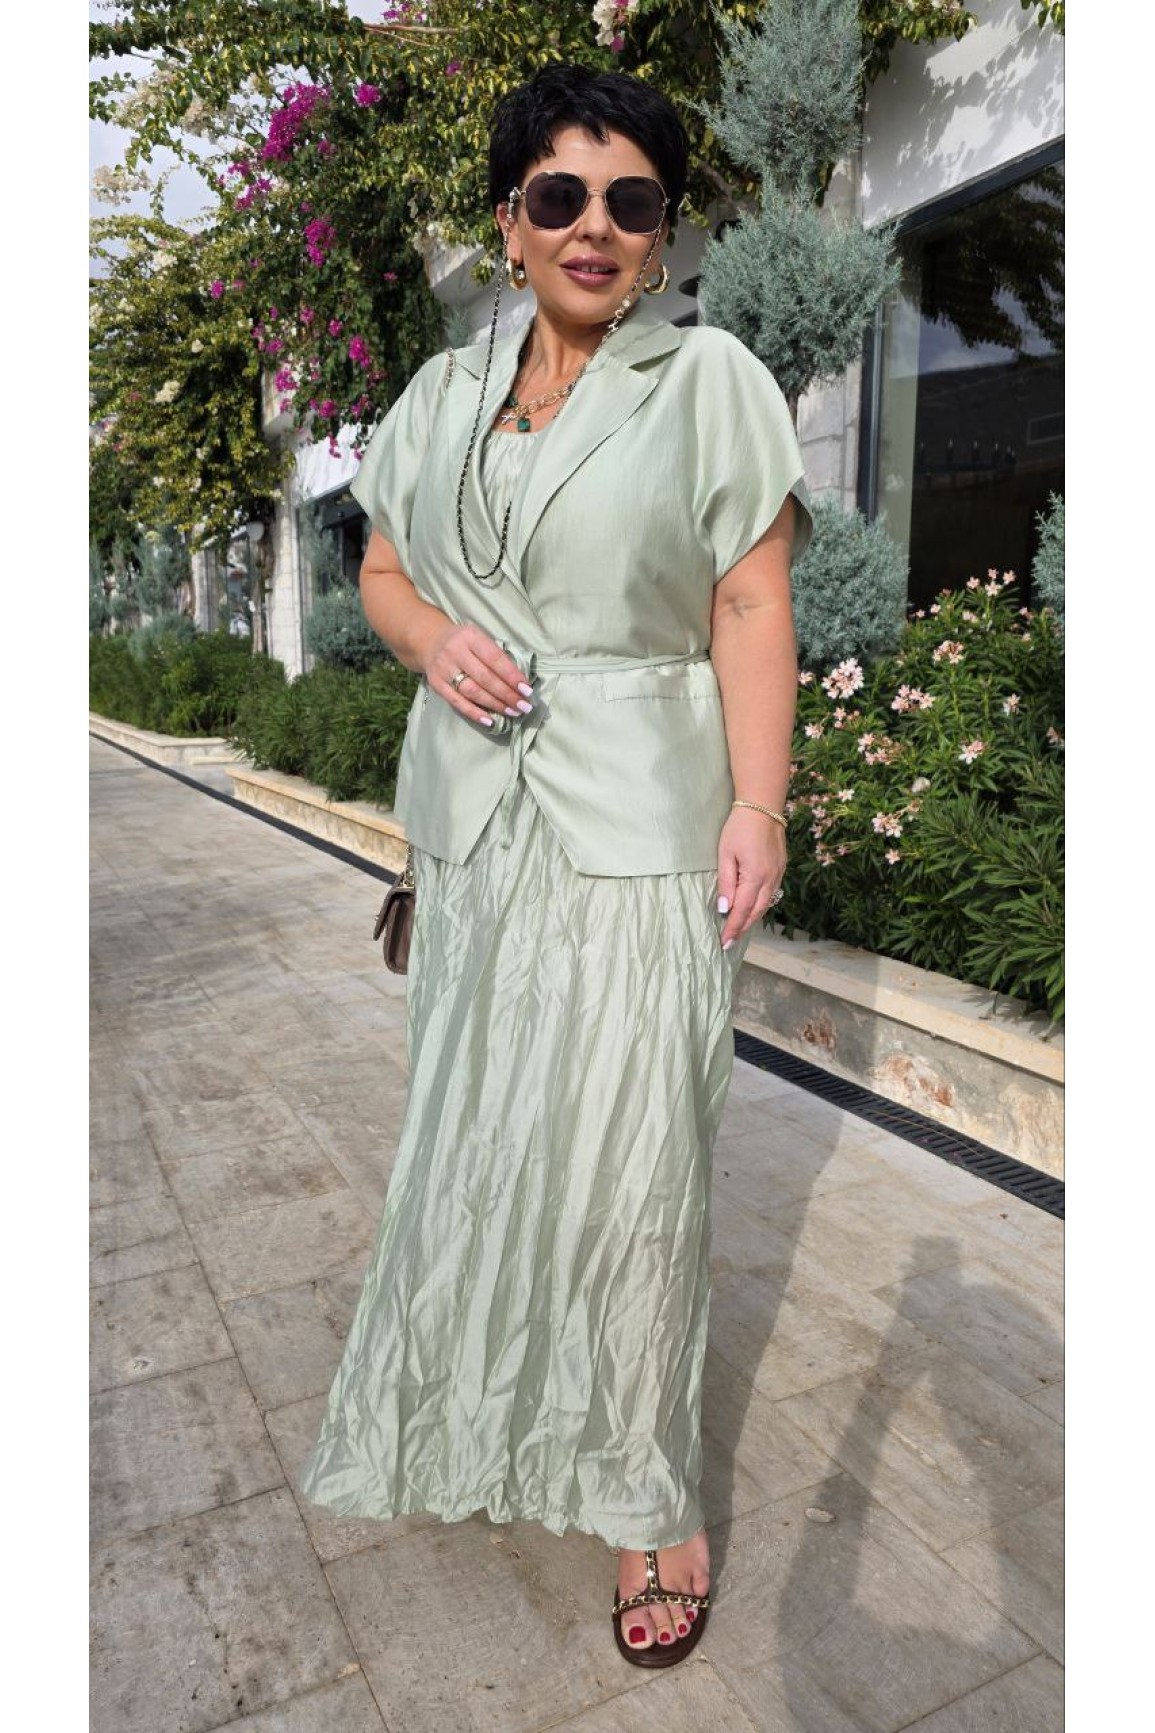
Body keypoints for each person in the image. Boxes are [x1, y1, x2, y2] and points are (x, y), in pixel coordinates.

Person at [300, 62, 813, 1669]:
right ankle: (497, 1416)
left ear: (660, 235)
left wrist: (761, 801)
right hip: (476, 825)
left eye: (632, 200)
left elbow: (750, 600)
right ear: (510, 223)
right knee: (487, 1143)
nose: (596, 226)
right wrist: (431, 639)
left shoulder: (707, 380)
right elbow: (386, 567)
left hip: (644, 819)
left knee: (638, 1167)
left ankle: (652, 1500)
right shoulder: (443, 396)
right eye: (561, 195)